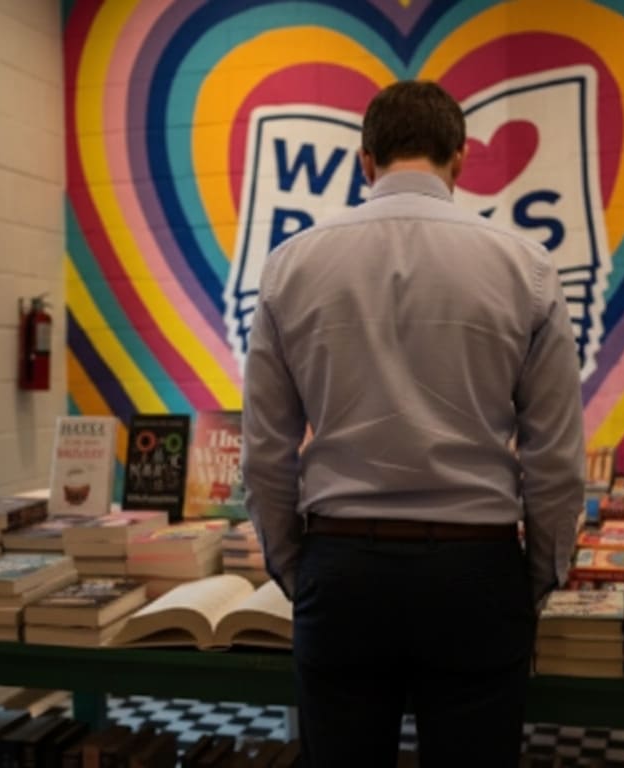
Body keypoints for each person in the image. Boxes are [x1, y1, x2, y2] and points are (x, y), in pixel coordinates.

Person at [241, 80, 585, 768]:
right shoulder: (526, 267)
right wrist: (537, 578)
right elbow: (555, 458)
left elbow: (265, 455)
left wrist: (297, 570)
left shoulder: (290, 266)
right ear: (459, 159)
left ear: (365, 161)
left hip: (341, 572)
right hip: (476, 571)